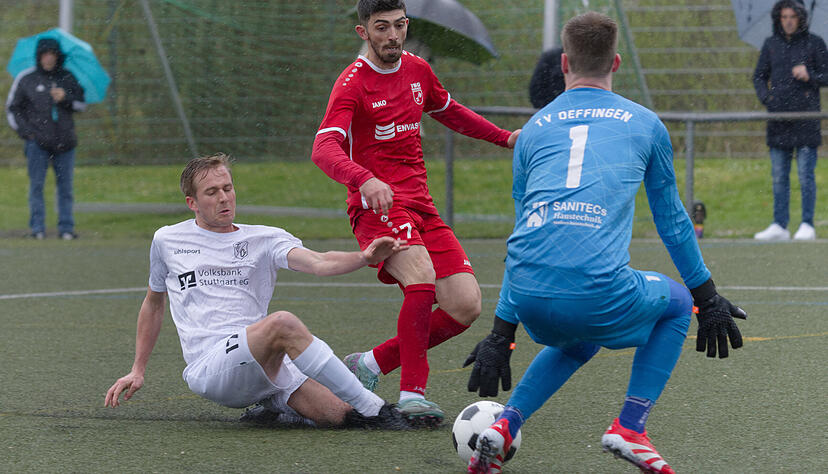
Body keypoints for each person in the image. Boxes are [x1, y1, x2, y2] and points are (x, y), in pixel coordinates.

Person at [464, 12, 747, 474]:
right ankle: (630, 427)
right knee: (678, 305)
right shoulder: (645, 124)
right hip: (594, 293)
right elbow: (673, 221)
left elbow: (524, 233)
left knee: (580, 339)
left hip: (529, 298)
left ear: (563, 64)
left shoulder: (533, 129)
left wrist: (501, 333)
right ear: (616, 62)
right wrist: (707, 297)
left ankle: (504, 426)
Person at [310, 0, 520, 426]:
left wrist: (505, 138)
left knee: (465, 305)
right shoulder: (352, 83)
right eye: (381, 27)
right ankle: (412, 395)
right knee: (420, 276)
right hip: (377, 208)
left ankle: (369, 364)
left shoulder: (418, 70)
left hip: (421, 205)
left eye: (399, 25)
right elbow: (323, 148)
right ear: (363, 32)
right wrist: (363, 179)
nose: (392, 35)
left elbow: (449, 110)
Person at [104, 153, 413, 430]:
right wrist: (137, 370)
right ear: (192, 203)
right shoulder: (167, 240)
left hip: (267, 363)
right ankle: (376, 408)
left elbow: (319, 262)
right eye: (212, 192)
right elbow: (153, 303)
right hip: (211, 367)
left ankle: (278, 409)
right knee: (283, 323)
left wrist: (364, 258)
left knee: (342, 416)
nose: (223, 198)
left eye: (227, 188)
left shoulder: (266, 238)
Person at [752, 0, 828, 241]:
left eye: (792, 17)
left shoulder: (815, 43)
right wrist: (768, 99)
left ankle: (807, 224)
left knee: (806, 176)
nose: (788, 21)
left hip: (806, 120)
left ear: (800, 18)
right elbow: (759, 76)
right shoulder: (770, 45)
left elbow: (826, 75)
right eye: (784, 17)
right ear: (778, 18)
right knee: (779, 176)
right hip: (778, 121)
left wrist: (810, 75)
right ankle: (779, 224)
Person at [6, 37, 86, 240]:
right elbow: (13, 109)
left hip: (65, 142)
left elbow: (81, 105)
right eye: (45, 54)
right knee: (36, 186)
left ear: (57, 56)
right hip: (37, 144)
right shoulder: (26, 79)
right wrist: (28, 133)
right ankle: (37, 229)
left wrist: (65, 98)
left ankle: (66, 228)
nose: (48, 58)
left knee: (65, 188)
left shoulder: (68, 77)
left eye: (52, 54)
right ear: (39, 56)